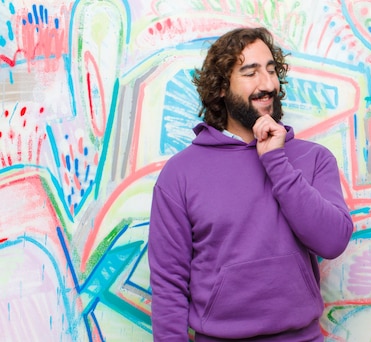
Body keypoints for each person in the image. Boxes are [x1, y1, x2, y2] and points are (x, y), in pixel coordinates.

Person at [148, 27, 354, 341]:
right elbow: (168, 286)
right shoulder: (180, 174)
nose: (268, 84)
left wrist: (276, 162)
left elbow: (333, 242)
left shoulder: (314, 159)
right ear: (220, 88)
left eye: (272, 71)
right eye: (251, 72)